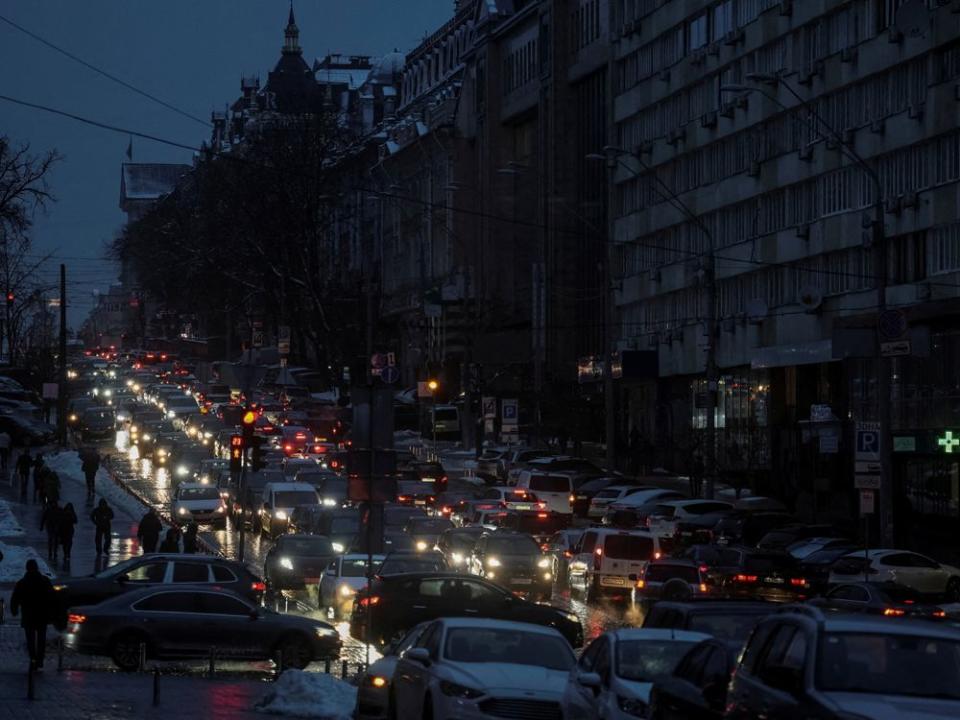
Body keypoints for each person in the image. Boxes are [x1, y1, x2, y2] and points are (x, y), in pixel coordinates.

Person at [10, 559, 56, 671]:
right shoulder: (45, 581)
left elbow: (15, 599)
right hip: (42, 616)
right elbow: (52, 598)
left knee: (30, 640)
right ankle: (39, 660)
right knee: (41, 639)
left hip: (28, 616)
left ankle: (33, 659)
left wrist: (14, 610)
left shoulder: (22, 583)